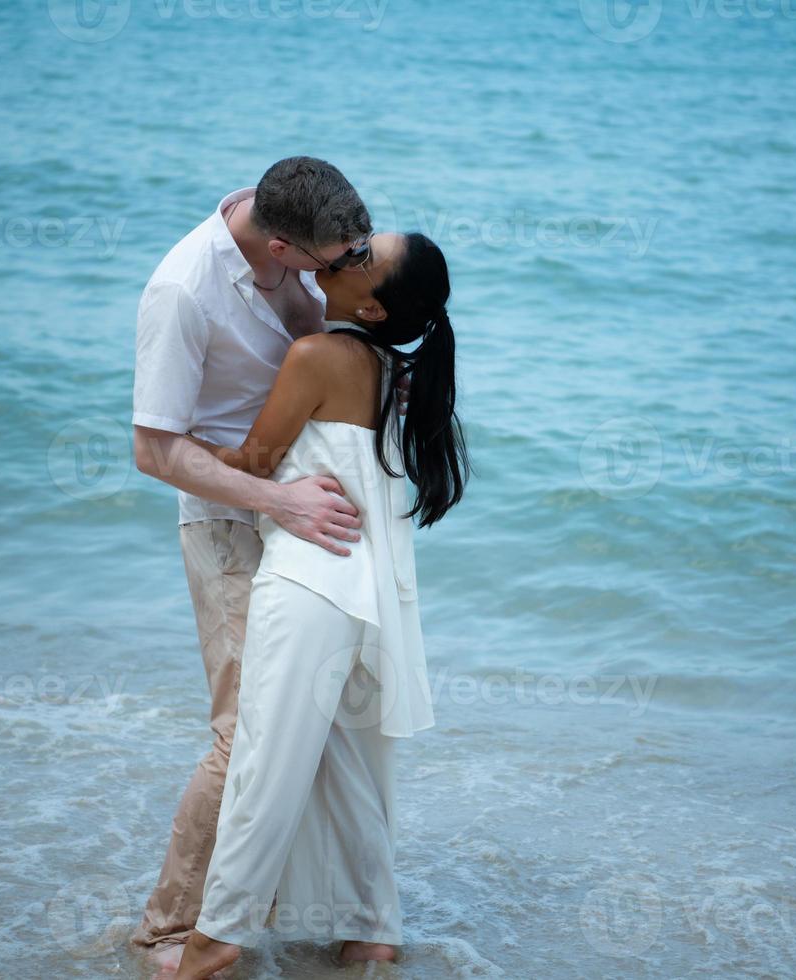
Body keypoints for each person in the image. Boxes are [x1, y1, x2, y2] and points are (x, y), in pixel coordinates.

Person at [175, 232, 467, 979]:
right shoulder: (381, 364)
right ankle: (372, 926)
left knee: (264, 760)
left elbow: (257, 464)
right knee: (338, 760)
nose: (348, 251)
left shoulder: (316, 359)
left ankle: (215, 940)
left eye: (364, 256)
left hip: (306, 579)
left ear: (369, 305)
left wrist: (179, 449)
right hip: (354, 587)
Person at [129, 157, 376, 960]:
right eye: (330, 265)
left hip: (299, 500)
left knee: (330, 712)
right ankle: (172, 929)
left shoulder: (296, 237)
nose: (344, 273)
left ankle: (328, 913)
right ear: (280, 248)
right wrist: (278, 501)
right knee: (246, 730)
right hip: (232, 515)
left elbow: (318, 343)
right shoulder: (181, 292)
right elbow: (153, 450)